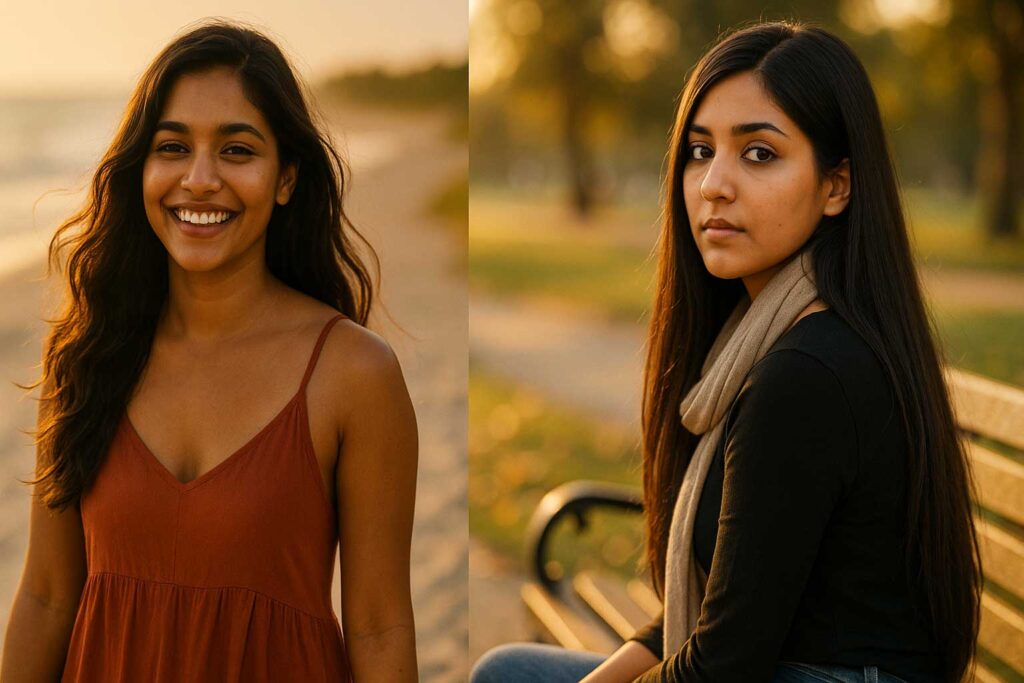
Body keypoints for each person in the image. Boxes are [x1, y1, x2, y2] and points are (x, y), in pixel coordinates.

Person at [471, 20, 981, 683]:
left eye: (759, 153)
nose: (714, 183)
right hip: (782, 662)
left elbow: (722, 666)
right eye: (700, 150)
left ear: (837, 186)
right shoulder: (765, 335)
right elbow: (729, 604)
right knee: (508, 671)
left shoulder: (806, 374)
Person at [1, 21, 418, 683]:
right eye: (173, 147)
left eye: (236, 150)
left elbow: (378, 624)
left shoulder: (353, 373)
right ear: (143, 168)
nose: (199, 180)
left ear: (285, 178)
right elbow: (48, 595)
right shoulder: (87, 353)